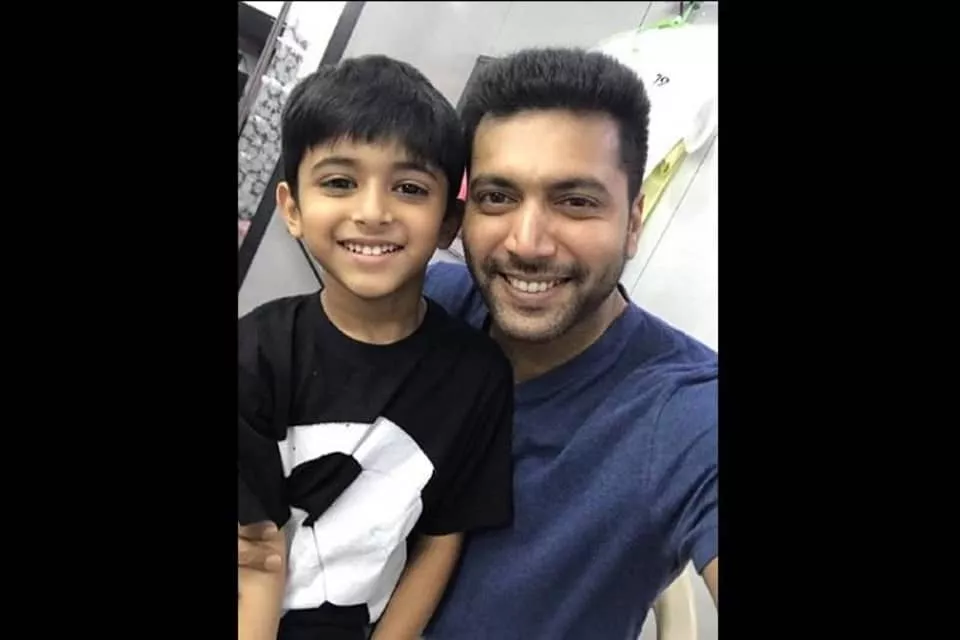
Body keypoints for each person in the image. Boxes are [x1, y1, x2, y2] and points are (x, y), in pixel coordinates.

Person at [240, 46, 718, 639]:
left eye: (576, 201)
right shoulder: (419, 301)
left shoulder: (689, 412)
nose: (528, 242)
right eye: (498, 196)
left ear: (634, 221)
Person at [237, 55, 515, 640]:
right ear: (293, 208)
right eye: (339, 182)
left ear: (449, 222)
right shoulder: (255, 354)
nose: (372, 213)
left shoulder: (478, 376)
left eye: (409, 188)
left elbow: (442, 538)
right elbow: (255, 556)